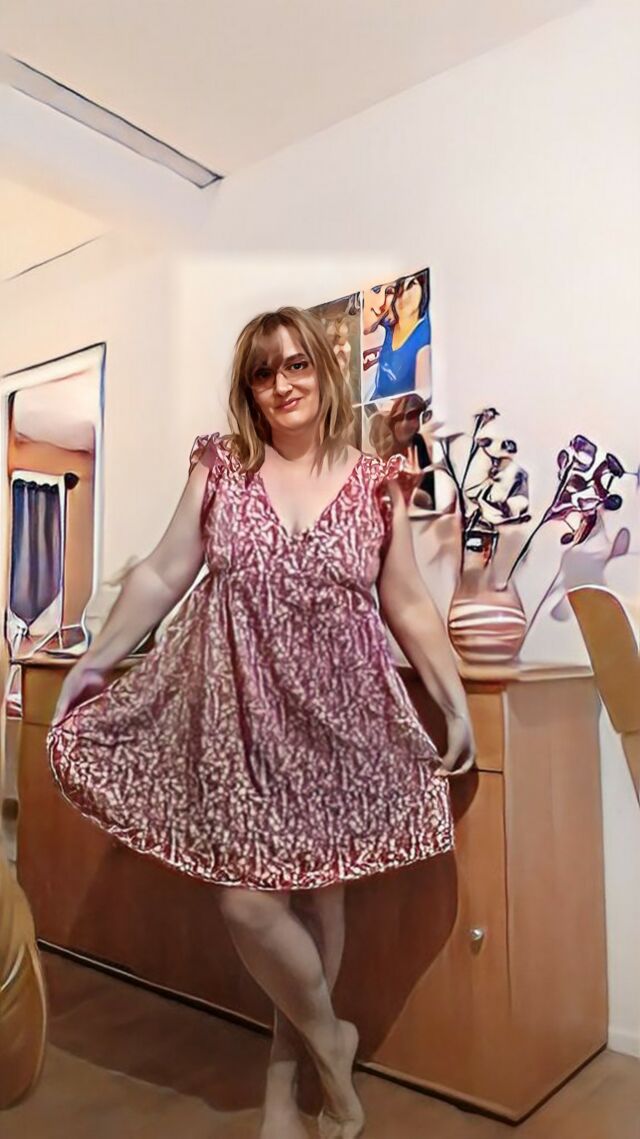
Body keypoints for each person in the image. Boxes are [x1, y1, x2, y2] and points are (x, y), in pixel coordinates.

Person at [47, 306, 475, 1139]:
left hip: (341, 719)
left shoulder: (374, 482)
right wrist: (95, 659)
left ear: (325, 370)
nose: (282, 383)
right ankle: (331, 1044)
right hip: (243, 716)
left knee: (318, 896)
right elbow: (164, 571)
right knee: (250, 901)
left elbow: (411, 604)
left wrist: (453, 698)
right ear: (250, 388)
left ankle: (287, 1077)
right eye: (263, 371)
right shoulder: (222, 466)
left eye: (297, 364)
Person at [364, 274, 431, 402]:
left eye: (411, 285)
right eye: (398, 289)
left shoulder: (425, 334)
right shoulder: (385, 329)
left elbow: (423, 398)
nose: (403, 296)